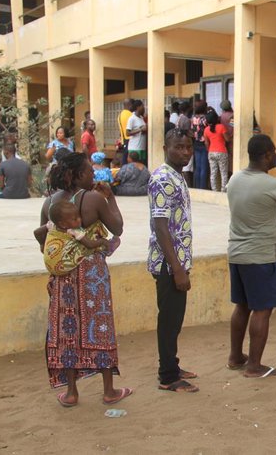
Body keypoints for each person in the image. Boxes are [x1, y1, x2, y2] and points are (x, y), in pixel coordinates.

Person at [34, 152, 131, 407]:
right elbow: (117, 228)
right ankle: (109, 390)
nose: (93, 175)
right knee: (99, 325)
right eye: (89, 171)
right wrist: (110, 198)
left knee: (67, 330)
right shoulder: (95, 199)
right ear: (76, 175)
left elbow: (46, 242)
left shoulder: (50, 203)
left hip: (63, 276)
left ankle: (72, 393)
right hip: (91, 274)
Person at [227, 134, 276, 378]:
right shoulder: (273, 185)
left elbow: (267, 206)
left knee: (242, 306)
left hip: (237, 254)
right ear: (268, 155)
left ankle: (236, 357)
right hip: (262, 256)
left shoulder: (235, 179)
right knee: (262, 310)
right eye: (275, 153)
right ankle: (254, 366)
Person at [148, 129, 198, 393]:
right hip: (169, 264)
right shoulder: (163, 179)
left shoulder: (177, 176)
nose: (185, 152)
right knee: (169, 320)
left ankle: (172, 365)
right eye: (179, 147)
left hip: (178, 262)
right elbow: (161, 226)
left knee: (175, 319)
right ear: (165, 146)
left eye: (188, 147)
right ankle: (167, 376)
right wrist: (177, 268)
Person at [36, 200, 120, 276]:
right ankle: (106, 249)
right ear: (62, 224)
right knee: (94, 234)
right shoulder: (74, 231)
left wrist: (42, 245)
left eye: (79, 216)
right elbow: (90, 245)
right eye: (75, 219)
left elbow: (36, 232)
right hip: (63, 266)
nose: (80, 219)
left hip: (49, 265)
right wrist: (103, 241)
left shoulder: (51, 225)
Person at [204, 111, 229, 192]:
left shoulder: (206, 130)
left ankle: (214, 190)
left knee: (213, 173)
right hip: (222, 152)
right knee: (223, 173)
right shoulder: (221, 127)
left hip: (211, 152)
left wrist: (209, 150)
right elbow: (227, 139)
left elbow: (206, 143)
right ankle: (223, 191)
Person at [191, 100, 210, 189]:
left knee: (198, 167)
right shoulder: (205, 119)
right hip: (204, 143)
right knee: (204, 167)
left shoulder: (193, 118)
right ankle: (202, 188)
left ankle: (197, 186)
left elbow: (192, 130)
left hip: (196, 143)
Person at [176, 101, 194, 187]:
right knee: (187, 167)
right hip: (185, 144)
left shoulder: (179, 117)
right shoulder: (186, 120)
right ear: (188, 109)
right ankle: (188, 186)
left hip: (179, 143)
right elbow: (187, 133)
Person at [126, 100, 148, 166]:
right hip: (134, 148)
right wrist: (140, 129)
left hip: (142, 147)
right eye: (142, 106)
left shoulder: (141, 118)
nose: (144, 108)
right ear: (138, 107)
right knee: (134, 166)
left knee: (140, 166)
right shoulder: (132, 118)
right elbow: (127, 133)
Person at [220, 100, 234, 177]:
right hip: (231, 139)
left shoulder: (221, 116)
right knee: (231, 158)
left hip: (223, 139)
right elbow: (232, 127)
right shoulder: (232, 115)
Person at [118, 98, 133, 165]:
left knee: (125, 158)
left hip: (124, 139)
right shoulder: (130, 114)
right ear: (130, 105)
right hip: (129, 139)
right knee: (129, 159)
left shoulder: (120, 114)